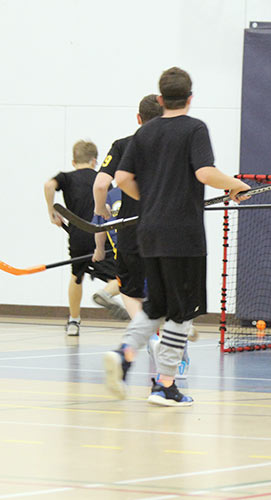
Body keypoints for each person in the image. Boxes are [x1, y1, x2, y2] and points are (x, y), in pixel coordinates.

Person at [103, 67, 250, 406]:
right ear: (190, 98)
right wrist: (236, 184)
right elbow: (204, 172)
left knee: (156, 305)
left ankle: (125, 353)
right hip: (182, 233)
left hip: (148, 232)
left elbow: (122, 178)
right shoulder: (194, 128)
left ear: (159, 98)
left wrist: (152, 199)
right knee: (182, 310)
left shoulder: (145, 132)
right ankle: (165, 384)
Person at [92, 95, 195, 379]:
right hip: (171, 231)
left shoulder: (124, 144)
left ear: (138, 118)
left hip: (131, 232)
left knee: (130, 292)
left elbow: (101, 184)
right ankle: (174, 363)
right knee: (173, 294)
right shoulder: (178, 144)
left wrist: (101, 211)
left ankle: (149, 338)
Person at [44, 140, 126, 336]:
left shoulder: (65, 178)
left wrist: (51, 212)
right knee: (123, 276)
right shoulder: (102, 179)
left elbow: (48, 185)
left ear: (74, 161)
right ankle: (105, 293)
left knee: (76, 276)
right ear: (94, 161)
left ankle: (74, 321)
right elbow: (111, 206)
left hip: (77, 236)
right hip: (101, 235)